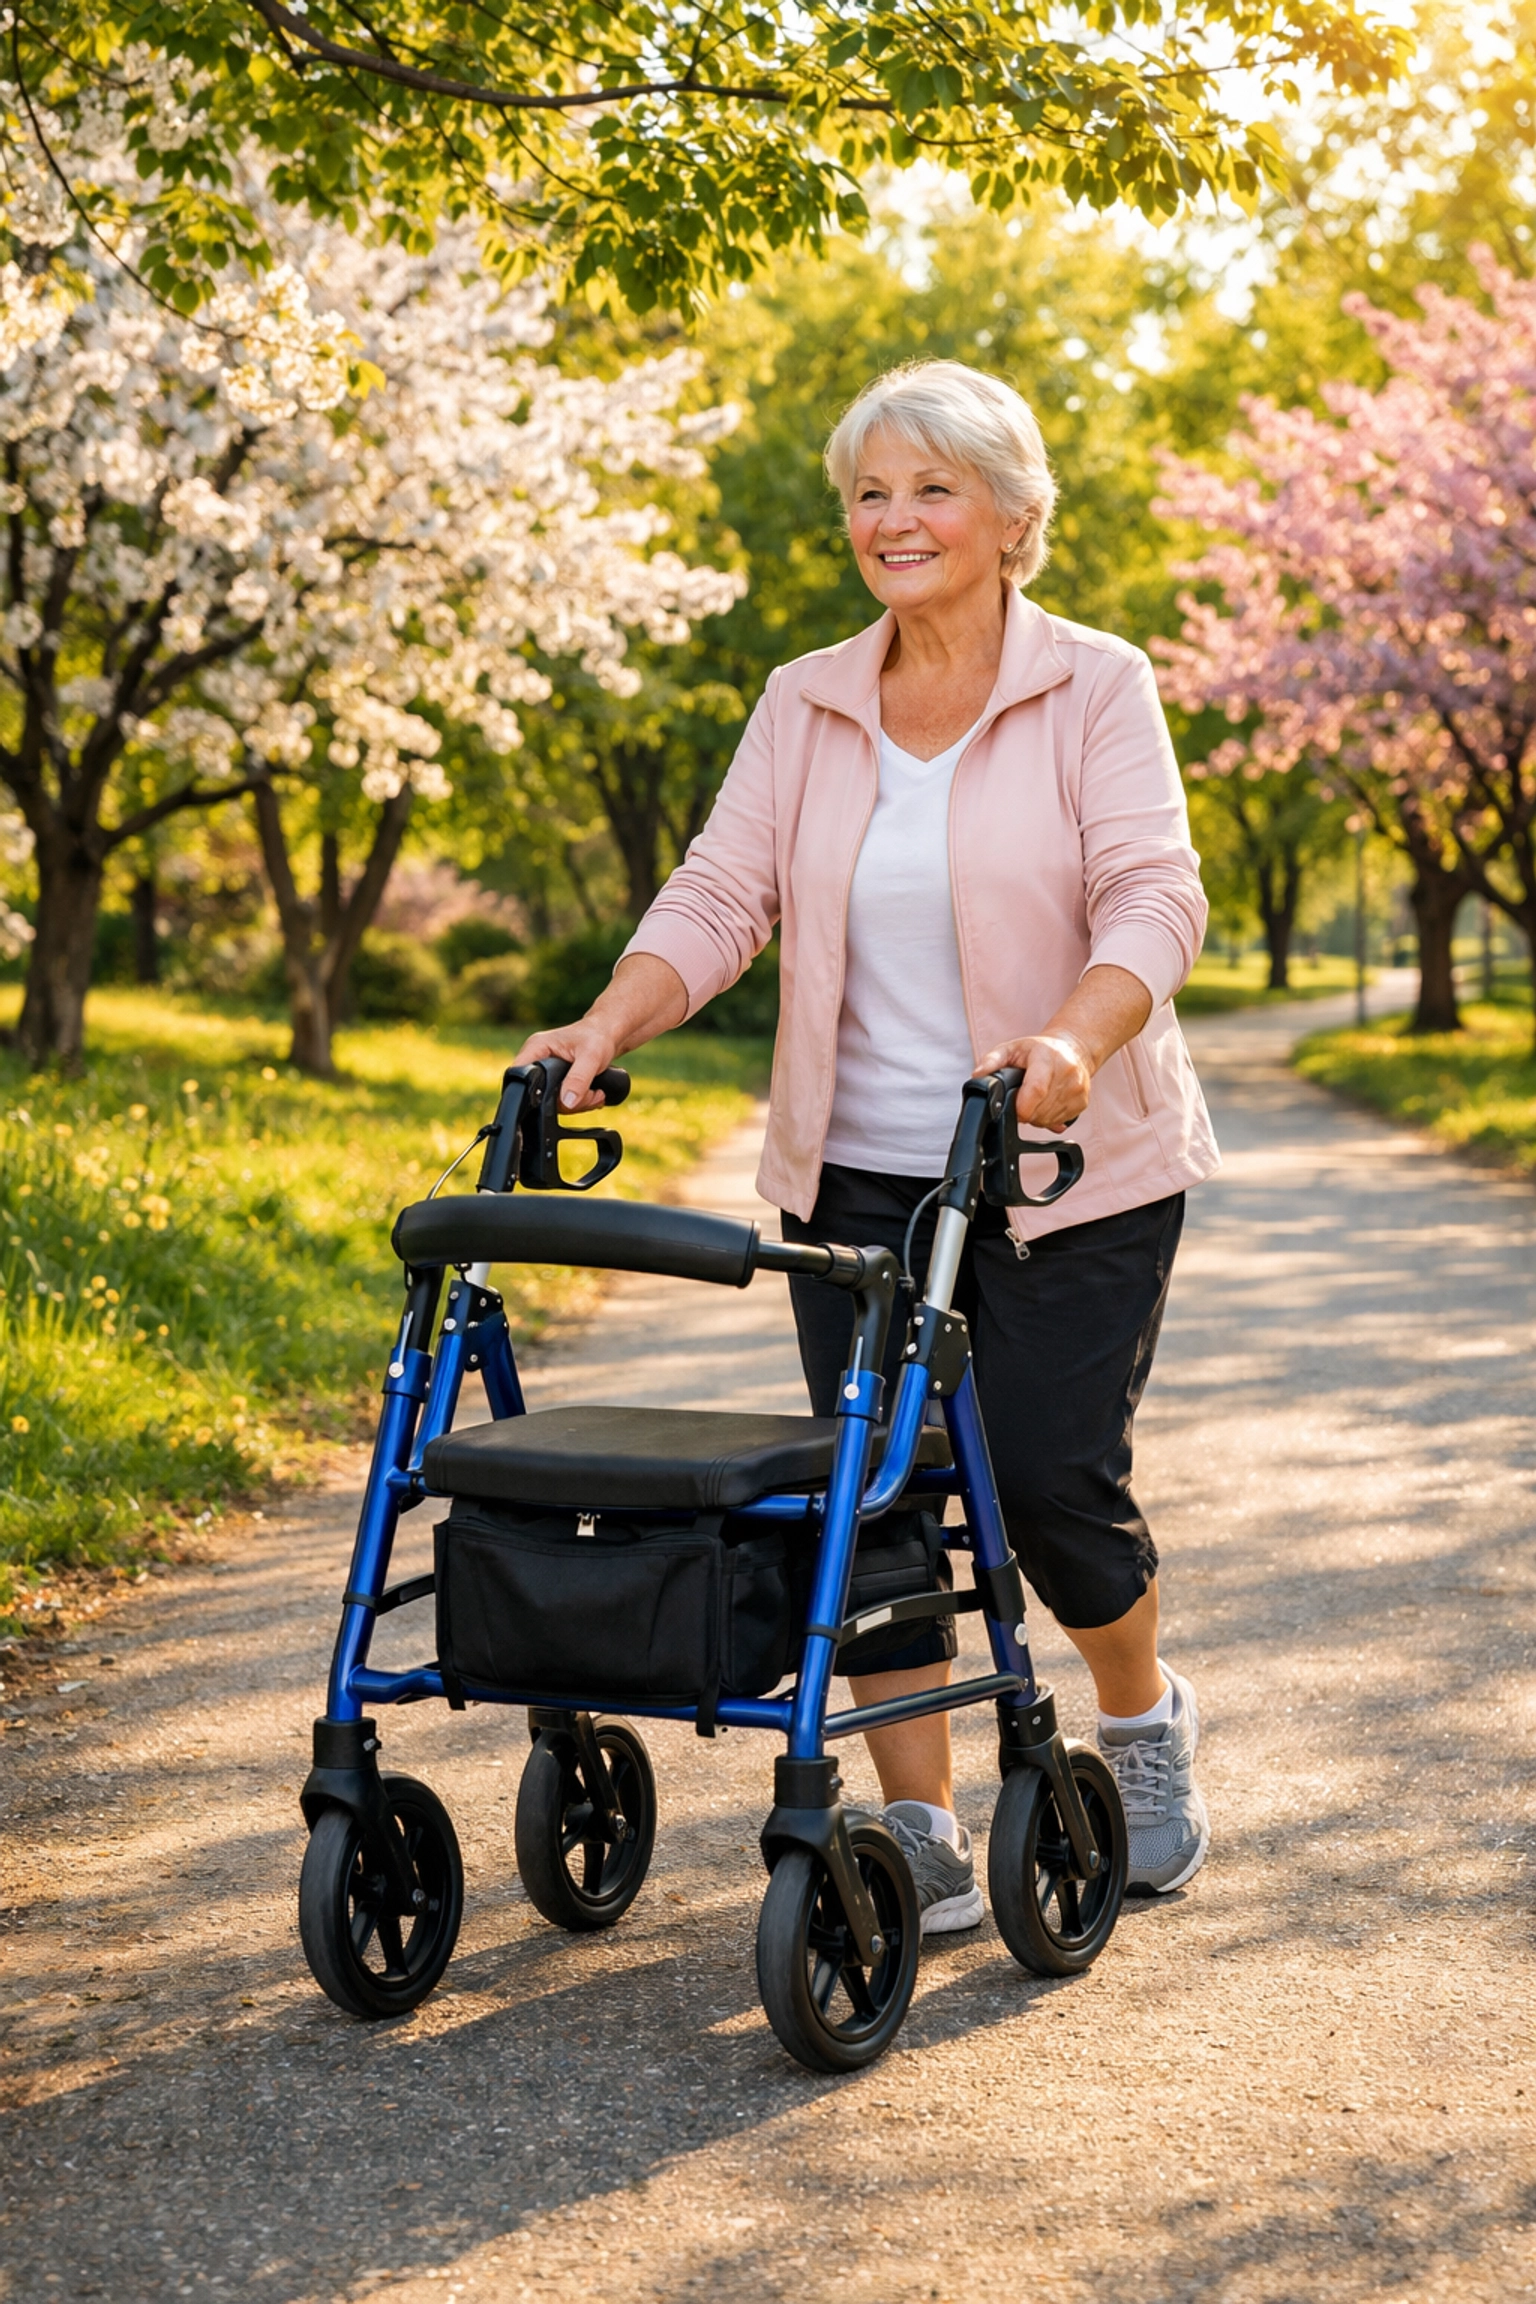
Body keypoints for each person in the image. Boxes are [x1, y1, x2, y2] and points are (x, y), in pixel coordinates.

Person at [516, 358, 1220, 1929]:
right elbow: (719, 893)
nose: (893, 520)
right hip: (855, 1181)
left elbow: (1152, 897)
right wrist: (608, 1023)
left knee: (1048, 1483)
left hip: (1059, 1165)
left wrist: (1074, 1040)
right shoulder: (807, 699)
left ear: (1015, 514)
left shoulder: (1095, 684)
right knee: (878, 1498)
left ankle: (1142, 1718)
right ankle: (919, 1824)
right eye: (868, 493)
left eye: (931, 488)